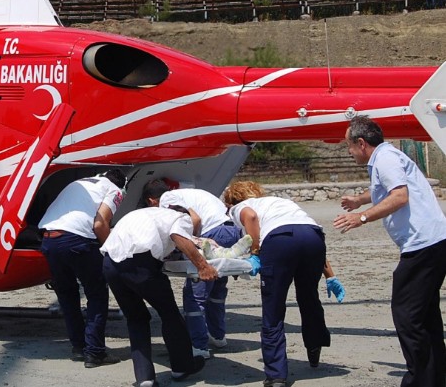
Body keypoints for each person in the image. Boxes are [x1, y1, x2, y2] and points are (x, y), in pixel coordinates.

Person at [332, 115, 446, 387]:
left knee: (406, 315)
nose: (348, 152)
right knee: (425, 315)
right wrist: (359, 200)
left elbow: (399, 196)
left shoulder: (385, 158)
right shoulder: (385, 158)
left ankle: (420, 379)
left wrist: (361, 217)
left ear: (361, 143)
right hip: (431, 243)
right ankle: (436, 376)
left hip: (424, 245)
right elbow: (383, 189)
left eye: (348, 146)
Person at [223, 181, 343, 387]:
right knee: (308, 297)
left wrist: (255, 253)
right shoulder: (280, 202)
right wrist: (330, 275)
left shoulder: (237, 207)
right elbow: (302, 234)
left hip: (279, 242)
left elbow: (250, 217)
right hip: (314, 237)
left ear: (233, 200)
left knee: (274, 307)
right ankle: (314, 347)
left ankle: (276, 375)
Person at [100, 205, 216, 387]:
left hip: (110, 264)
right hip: (140, 265)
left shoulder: (142, 213)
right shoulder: (180, 218)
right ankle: (182, 367)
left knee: (136, 319)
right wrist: (203, 266)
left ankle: (144, 378)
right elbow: (178, 237)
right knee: (169, 314)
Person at [141, 179, 243, 359]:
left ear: (151, 201)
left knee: (195, 294)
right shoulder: (187, 193)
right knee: (216, 288)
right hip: (229, 232)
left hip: (212, 233)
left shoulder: (167, 200)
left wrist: (191, 243)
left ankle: (198, 346)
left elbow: (194, 219)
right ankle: (218, 336)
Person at [38, 169, 127, 368]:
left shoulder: (82, 182)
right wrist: (112, 250)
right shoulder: (114, 190)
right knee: (96, 294)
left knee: (68, 296)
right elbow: (100, 223)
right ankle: (95, 352)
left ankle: (78, 347)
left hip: (49, 239)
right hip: (76, 240)